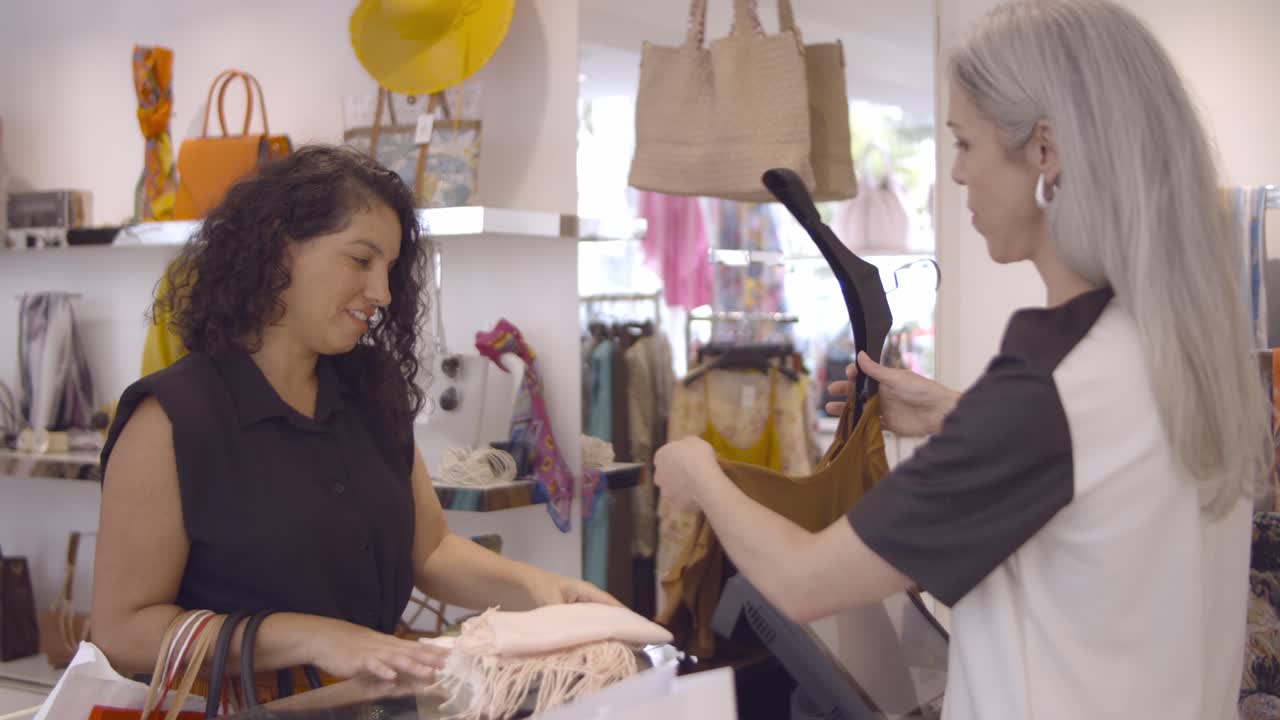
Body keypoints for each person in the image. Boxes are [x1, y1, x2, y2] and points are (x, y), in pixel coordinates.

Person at [654, 1, 1271, 718]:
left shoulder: (1048, 385)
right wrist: (962, 416)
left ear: (1045, 151)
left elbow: (801, 582)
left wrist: (700, 472)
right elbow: (1102, 495)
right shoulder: (1185, 349)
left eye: (965, 144)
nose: (954, 175)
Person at [92, 145, 616, 693]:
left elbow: (431, 550)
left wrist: (546, 591)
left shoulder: (369, 390)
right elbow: (122, 629)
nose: (382, 293)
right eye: (360, 260)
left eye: (389, 269)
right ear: (277, 248)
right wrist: (309, 636)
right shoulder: (171, 418)